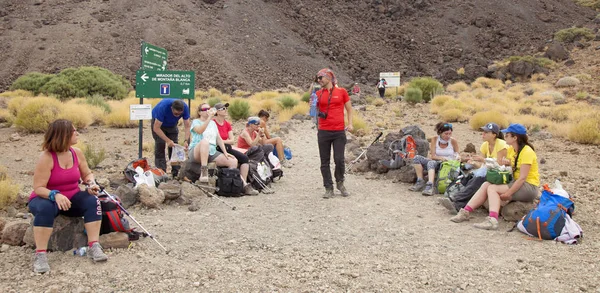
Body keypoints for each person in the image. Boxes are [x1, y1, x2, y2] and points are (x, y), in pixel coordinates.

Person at [28, 119, 107, 273]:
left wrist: (91, 184)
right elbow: (38, 188)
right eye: (74, 131)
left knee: (92, 201)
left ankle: (94, 246)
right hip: (46, 198)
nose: (77, 133)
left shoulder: (76, 153)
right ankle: (40, 255)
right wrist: (55, 194)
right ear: (63, 135)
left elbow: (87, 173)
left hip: (71, 197)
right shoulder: (46, 157)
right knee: (45, 208)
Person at [450, 123, 540, 230]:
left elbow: (522, 178)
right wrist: (507, 164)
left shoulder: (527, 152)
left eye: (507, 135)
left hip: (529, 186)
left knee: (492, 188)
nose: (504, 136)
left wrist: (508, 193)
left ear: (515, 137)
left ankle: (492, 220)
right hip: (517, 182)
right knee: (486, 184)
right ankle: (465, 211)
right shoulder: (512, 150)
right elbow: (510, 169)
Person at [189, 103, 258, 195]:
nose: (208, 110)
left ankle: (234, 185)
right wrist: (209, 118)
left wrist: (225, 153)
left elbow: (218, 138)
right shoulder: (196, 122)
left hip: (211, 151)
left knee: (233, 161)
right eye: (205, 109)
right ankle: (204, 171)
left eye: (209, 108)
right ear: (199, 112)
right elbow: (200, 130)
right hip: (197, 151)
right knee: (205, 142)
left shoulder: (212, 124)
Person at [439, 122, 508, 214]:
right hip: (490, 172)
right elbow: (482, 165)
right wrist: (474, 163)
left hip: (500, 175)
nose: (483, 134)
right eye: (483, 131)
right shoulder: (485, 145)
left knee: (478, 179)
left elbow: (500, 164)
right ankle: (456, 201)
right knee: (471, 176)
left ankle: (456, 200)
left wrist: (483, 160)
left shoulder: (502, 145)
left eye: (486, 132)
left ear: (494, 135)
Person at [315, 68, 353, 198]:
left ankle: (340, 182)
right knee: (324, 161)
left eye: (321, 77)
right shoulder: (318, 93)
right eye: (318, 78)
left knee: (339, 159)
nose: (319, 80)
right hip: (323, 130)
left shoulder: (341, 92)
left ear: (329, 78)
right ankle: (328, 187)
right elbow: (313, 111)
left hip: (338, 131)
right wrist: (312, 104)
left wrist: (350, 123)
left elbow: (349, 109)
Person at [212, 102, 258, 191]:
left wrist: (221, 141)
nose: (226, 110)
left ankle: (243, 182)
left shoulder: (227, 124)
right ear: (217, 112)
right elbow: (214, 140)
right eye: (223, 109)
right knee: (233, 161)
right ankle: (242, 185)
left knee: (244, 159)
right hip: (218, 149)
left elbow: (232, 140)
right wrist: (222, 141)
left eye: (226, 108)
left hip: (227, 148)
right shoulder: (213, 123)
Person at [409, 122, 460, 196]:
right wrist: (441, 158)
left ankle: (430, 186)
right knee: (417, 158)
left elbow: (457, 154)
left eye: (450, 133)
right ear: (440, 133)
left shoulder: (453, 141)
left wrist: (457, 157)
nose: (448, 136)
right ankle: (420, 181)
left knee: (431, 163)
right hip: (437, 161)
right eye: (446, 134)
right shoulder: (435, 139)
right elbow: (432, 156)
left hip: (446, 164)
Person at [151, 99, 191, 177]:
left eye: (180, 114)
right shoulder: (163, 107)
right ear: (171, 108)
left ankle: (175, 173)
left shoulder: (185, 108)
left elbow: (187, 125)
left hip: (172, 124)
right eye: (176, 113)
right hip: (158, 124)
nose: (177, 115)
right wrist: (168, 140)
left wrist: (186, 140)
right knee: (160, 145)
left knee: (174, 147)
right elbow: (156, 128)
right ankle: (161, 173)